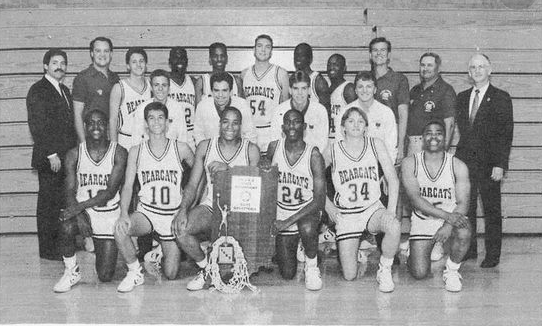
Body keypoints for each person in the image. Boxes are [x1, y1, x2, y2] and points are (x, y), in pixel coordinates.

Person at [174, 107, 260, 291]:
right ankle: (207, 268)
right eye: (226, 122)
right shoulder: (205, 146)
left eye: (235, 123)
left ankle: (222, 267)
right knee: (180, 230)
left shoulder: (251, 150)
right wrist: (182, 210)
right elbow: (192, 184)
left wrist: (228, 170)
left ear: (241, 126)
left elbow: (254, 192)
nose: (230, 127)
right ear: (219, 123)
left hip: (239, 212)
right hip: (212, 207)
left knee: (228, 275)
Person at [114, 102, 194, 292]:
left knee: (172, 273)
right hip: (147, 213)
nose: (156, 122)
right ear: (145, 123)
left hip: (172, 216)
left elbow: (199, 175)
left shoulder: (181, 148)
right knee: (120, 229)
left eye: (160, 118)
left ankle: (157, 253)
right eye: (151, 118)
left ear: (167, 122)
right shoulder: (136, 151)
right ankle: (135, 272)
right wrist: (124, 213)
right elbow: (127, 186)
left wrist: (191, 203)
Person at [324, 107, 400, 292]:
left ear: (366, 127)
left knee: (394, 225)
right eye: (351, 121)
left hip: (371, 209)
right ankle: (354, 246)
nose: (356, 125)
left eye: (360, 121)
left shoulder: (376, 144)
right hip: (347, 215)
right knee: (349, 276)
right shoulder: (332, 150)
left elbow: (393, 179)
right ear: (343, 128)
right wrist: (328, 206)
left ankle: (385, 269)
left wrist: (390, 211)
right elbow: (313, 179)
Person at [53, 110, 127, 292]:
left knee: (105, 276)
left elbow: (110, 191)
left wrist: (80, 208)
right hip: (83, 211)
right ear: (85, 127)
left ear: (107, 126)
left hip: (108, 214)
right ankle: (71, 270)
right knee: (66, 224)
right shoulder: (73, 154)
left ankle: (112, 252)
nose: (96, 127)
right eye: (91, 123)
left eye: (100, 122)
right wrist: (79, 215)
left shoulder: (119, 152)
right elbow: (69, 190)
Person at [455, 54, 513, 268]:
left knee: (491, 210)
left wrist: (500, 164)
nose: (477, 70)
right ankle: (469, 249)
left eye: (482, 67)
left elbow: (506, 134)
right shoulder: (461, 97)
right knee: (466, 208)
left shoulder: (501, 97)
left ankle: (493, 255)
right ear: (469, 73)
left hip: (490, 164)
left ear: (490, 70)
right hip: (466, 163)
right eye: (473, 67)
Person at [402, 120, 472, 291]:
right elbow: (415, 200)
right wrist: (448, 217)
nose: (434, 136)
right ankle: (415, 250)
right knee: (418, 273)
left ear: (445, 137)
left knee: (464, 230)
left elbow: (464, 203)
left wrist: (448, 225)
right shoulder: (410, 163)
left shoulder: (458, 165)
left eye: (439, 132)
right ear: (422, 137)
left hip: (450, 218)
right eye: (429, 133)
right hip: (424, 218)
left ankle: (452, 270)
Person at [266, 109, 326, 290]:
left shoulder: (314, 155)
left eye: (296, 122)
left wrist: (286, 222)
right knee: (287, 273)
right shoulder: (273, 148)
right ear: (283, 127)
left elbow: (319, 201)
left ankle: (312, 266)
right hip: (283, 210)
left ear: (304, 126)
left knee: (307, 228)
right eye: (288, 122)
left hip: (308, 210)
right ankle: (304, 247)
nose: (292, 126)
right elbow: (265, 180)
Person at [26, 49, 77, 260]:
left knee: (60, 201)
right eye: (55, 62)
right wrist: (51, 154)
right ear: (45, 66)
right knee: (48, 203)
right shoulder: (38, 90)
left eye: (63, 63)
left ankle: (60, 244)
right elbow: (37, 125)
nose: (60, 66)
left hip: (65, 157)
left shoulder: (64, 89)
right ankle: (48, 250)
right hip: (52, 158)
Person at [241, 34, 290, 154]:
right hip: (249, 130)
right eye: (259, 46)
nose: (263, 50)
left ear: (271, 52)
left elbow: (285, 106)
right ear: (254, 50)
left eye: (267, 47)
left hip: (271, 130)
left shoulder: (281, 73)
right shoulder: (244, 73)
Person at [334, 71, 397, 162]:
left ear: (375, 89)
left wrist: (386, 172)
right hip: (352, 165)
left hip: (379, 166)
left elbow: (391, 148)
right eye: (360, 87)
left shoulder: (386, 112)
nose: (364, 91)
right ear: (355, 90)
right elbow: (339, 141)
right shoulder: (344, 111)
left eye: (369, 87)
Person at [369, 37, 410, 165]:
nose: (379, 53)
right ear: (370, 55)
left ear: (389, 55)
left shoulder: (399, 79)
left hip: (391, 136)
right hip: (369, 135)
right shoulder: (365, 78)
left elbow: (403, 115)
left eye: (382, 50)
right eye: (375, 50)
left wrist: (401, 145)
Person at [73, 36, 119, 143]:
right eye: (98, 51)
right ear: (92, 54)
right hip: (90, 141)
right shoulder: (82, 78)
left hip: (110, 139)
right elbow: (77, 115)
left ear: (111, 54)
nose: (102, 55)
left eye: (106, 51)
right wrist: (83, 143)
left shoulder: (115, 78)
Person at [407, 53, 456, 155]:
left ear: (438, 68)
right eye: (423, 65)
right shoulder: (415, 90)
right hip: (413, 145)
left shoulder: (446, 90)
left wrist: (442, 151)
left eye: (429, 65)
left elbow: (450, 124)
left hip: (433, 144)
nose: (425, 68)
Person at [270, 70, 329, 154]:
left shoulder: (320, 111)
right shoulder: (279, 111)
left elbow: (322, 143)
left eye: (304, 88)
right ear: (290, 90)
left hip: (312, 159)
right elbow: (275, 141)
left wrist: (307, 158)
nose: (300, 93)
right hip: (286, 158)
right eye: (296, 88)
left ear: (309, 90)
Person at [131, 69, 189, 149]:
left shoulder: (177, 108)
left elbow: (182, 138)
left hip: (172, 153)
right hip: (147, 154)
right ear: (151, 87)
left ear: (169, 88)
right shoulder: (142, 109)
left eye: (164, 85)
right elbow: (136, 140)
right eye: (156, 85)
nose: (160, 88)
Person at [193, 72, 256, 145]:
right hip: (210, 151)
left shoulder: (242, 105)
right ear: (211, 91)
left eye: (224, 90)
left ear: (231, 92)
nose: (220, 95)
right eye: (216, 90)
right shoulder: (202, 106)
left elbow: (250, 135)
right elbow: (198, 134)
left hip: (237, 151)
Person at [109, 47, 151, 150]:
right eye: (134, 62)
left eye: (141, 61)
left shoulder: (151, 87)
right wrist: (114, 147)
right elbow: (113, 120)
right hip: (126, 140)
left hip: (147, 139)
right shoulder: (119, 88)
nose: (138, 65)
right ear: (128, 66)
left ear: (146, 65)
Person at [168, 47, 198, 147]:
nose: (179, 61)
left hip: (190, 135)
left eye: (182, 58)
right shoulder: (163, 82)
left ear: (187, 62)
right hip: (170, 134)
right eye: (175, 58)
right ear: (170, 62)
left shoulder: (193, 82)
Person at [327, 54, 356, 142]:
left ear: (344, 68)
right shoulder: (326, 89)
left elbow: (356, 118)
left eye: (336, 65)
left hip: (344, 142)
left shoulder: (348, 88)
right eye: (329, 64)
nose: (332, 67)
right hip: (329, 141)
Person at [293, 43, 330, 111]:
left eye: (302, 55)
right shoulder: (293, 79)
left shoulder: (318, 80)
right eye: (296, 55)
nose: (298, 58)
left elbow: (325, 110)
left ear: (310, 58)